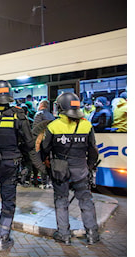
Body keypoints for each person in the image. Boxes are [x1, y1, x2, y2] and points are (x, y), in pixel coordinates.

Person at [0, 80, 45, 251]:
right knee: (8, 201)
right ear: (10, 95)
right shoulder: (18, 115)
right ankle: (3, 238)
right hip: (11, 164)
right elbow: (29, 144)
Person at [42, 92, 100, 245]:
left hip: (60, 171)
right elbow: (93, 150)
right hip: (81, 170)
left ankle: (64, 234)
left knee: (61, 202)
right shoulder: (86, 124)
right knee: (86, 201)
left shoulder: (53, 126)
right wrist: (88, 166)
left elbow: (44, 150)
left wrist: (47, 167)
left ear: (60, 107)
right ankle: (92, 234)